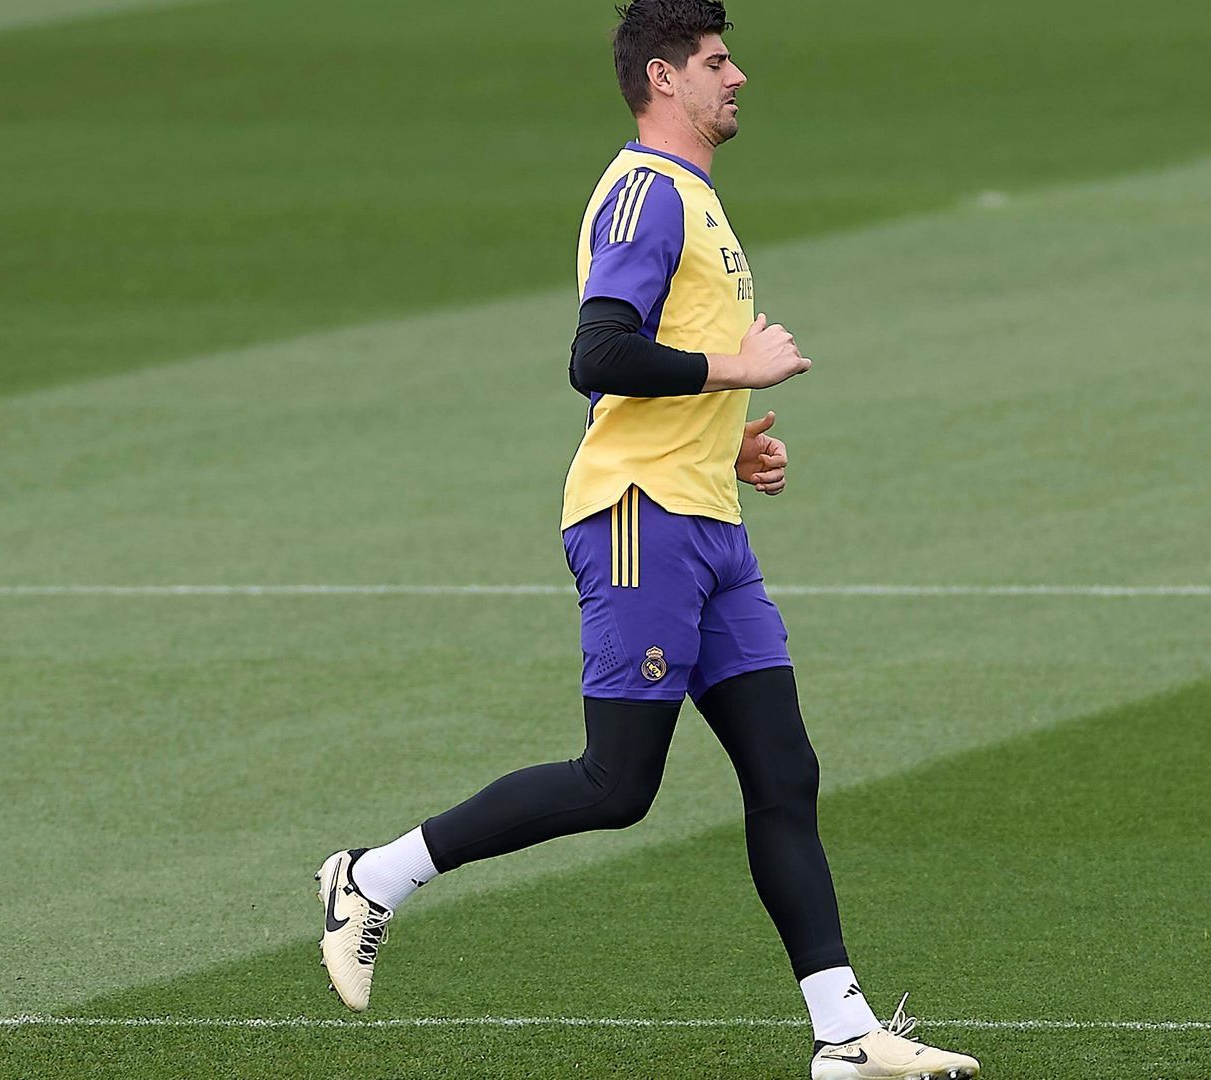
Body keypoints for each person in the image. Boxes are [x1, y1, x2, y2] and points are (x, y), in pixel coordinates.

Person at [316, 4, 979, 1077]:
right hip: (638, 519)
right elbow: (599, 353)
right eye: (720, 62)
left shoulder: (697, 200)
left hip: (704, 517)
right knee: (617, 783)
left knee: (784, 770)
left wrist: (730, 444)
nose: (740, 77)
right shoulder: (645, 194)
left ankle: (845, 1037)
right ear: (665, 76)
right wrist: (733, 374)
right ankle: (372, 877)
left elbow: (656, 363)